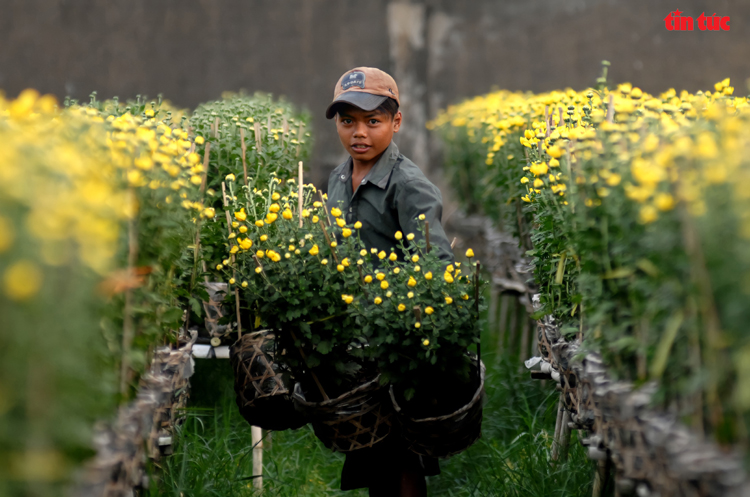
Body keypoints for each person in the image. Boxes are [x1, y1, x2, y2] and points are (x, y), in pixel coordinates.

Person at [324, 67, 455, 497]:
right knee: (369, 449)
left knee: (401, 453)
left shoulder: (409, 186)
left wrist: (403, 315)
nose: (359, 133)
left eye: (372, 121)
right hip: (355, 337)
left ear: (396, 123)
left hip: (395, 338)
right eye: (348, 122)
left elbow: (435, 267)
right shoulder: (340, 178)